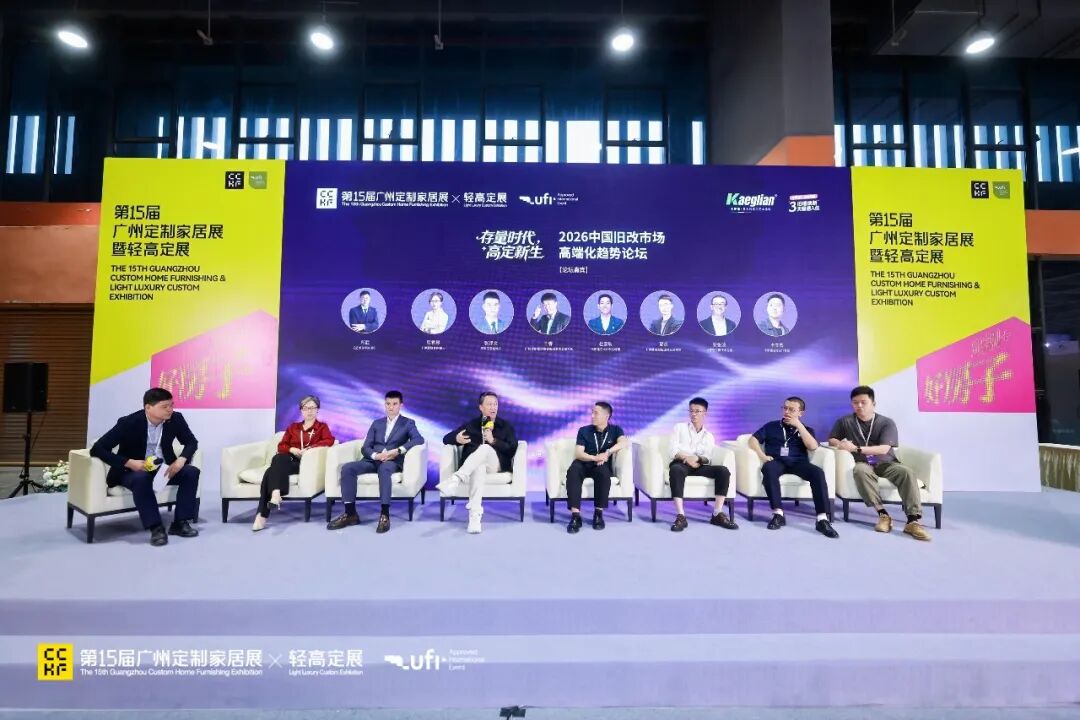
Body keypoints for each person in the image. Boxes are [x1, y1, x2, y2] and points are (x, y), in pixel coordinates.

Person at [89, 387, 200, 547]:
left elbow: (191, 442)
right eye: (165, 406)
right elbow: (97, 449)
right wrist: (129, 462)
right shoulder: (128, 422)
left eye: (171, 405)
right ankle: (156, 527)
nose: (170, 409)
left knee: (191, 472)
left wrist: (181, 460)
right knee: (142, 478)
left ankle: (180, 522)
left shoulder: (176, 419)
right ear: (148, 407)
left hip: (162, 468)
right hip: (132, 470)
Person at [827, 385, 931, 541]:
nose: (859, 406)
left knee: (906, 472)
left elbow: (883, 449)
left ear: (873, 404)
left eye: (863, 402)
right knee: (860, 471)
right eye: (855, 403)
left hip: (886, 463)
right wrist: (840, 444)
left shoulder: (886, 422)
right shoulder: (845, 421)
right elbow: (832, 439)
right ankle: (883, 515)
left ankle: (913, 521)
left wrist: (855, 448)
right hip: (862, 463)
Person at [328, 390, 424, 534]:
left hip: (392, 461)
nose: (391, 407)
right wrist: (375, 455)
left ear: (401, 405)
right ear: (384, 404)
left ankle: (384, 515)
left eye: (394, 404)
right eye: (388, 404)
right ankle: (350, 513)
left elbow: (418, 439)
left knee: (384, 469)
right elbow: (365, 447)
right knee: (347, 468)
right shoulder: (376, 423)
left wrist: (397, 451)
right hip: (372, 460)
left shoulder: (408, 423)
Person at [748, 396, 838, 538]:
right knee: (768, 468)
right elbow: (753, 440)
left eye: (791, 409)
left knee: (818, 473)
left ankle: (822, 519)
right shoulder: (771, 426)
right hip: (777, 460)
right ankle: (778, 514)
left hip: (798, 462)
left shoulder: (806, 429)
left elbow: (813, 446)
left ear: (800, 413)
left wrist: (799, 426)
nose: (787, 412)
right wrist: (762, 455)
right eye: (785, 408)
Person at [437, 391, 519, 534]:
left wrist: (493, 440)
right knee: (479, 467)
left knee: (485, 448)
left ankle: (456, 479)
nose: (493, 407)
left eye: (495, 404)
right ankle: (474, 518)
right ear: (481, 407)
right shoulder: (472, 425)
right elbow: (446, 439)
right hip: (474, 467)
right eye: (489, 404)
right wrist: (456, 438)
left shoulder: (505, 426)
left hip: (496, 465)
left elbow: (512, 449)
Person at [252, 395, 335, 532]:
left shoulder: (322, 427)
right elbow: (281, 445)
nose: (309, 411)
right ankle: (275, 494)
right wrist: (292, 449)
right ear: (301, 410)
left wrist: (310, 448)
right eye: (306, 408)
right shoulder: (293, 427)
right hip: (290, 461)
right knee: (278, 458)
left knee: (270, 471)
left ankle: (262, 514)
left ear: (317, 410)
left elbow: (329, 441)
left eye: (312, 408)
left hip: (306, 465)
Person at [668, 397, 738, 532]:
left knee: (723, 471)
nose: (693, 414)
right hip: (681, 463)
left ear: (705, 413)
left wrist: (697, 459)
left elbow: (708, 457)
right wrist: (687, 458)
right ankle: (681, 516)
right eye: (691, 411)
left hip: (699, 465)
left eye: (697, 411)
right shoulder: (679, 428)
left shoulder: (709, 436)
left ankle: (717, 514)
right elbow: (672, 450)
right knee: (675, 469)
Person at [565, 401, 628, 533]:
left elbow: (624, 442)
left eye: (596, 413)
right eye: (592, 413)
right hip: (584, 461)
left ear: (606, 416)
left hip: (601, 464)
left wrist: (607, 453)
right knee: (573, 471)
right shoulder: (584, 430)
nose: (592, 416)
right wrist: (595, 458)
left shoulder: (616, 430)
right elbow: (579, 453)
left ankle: (598, 514)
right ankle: (575, 516)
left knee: (604, 475)